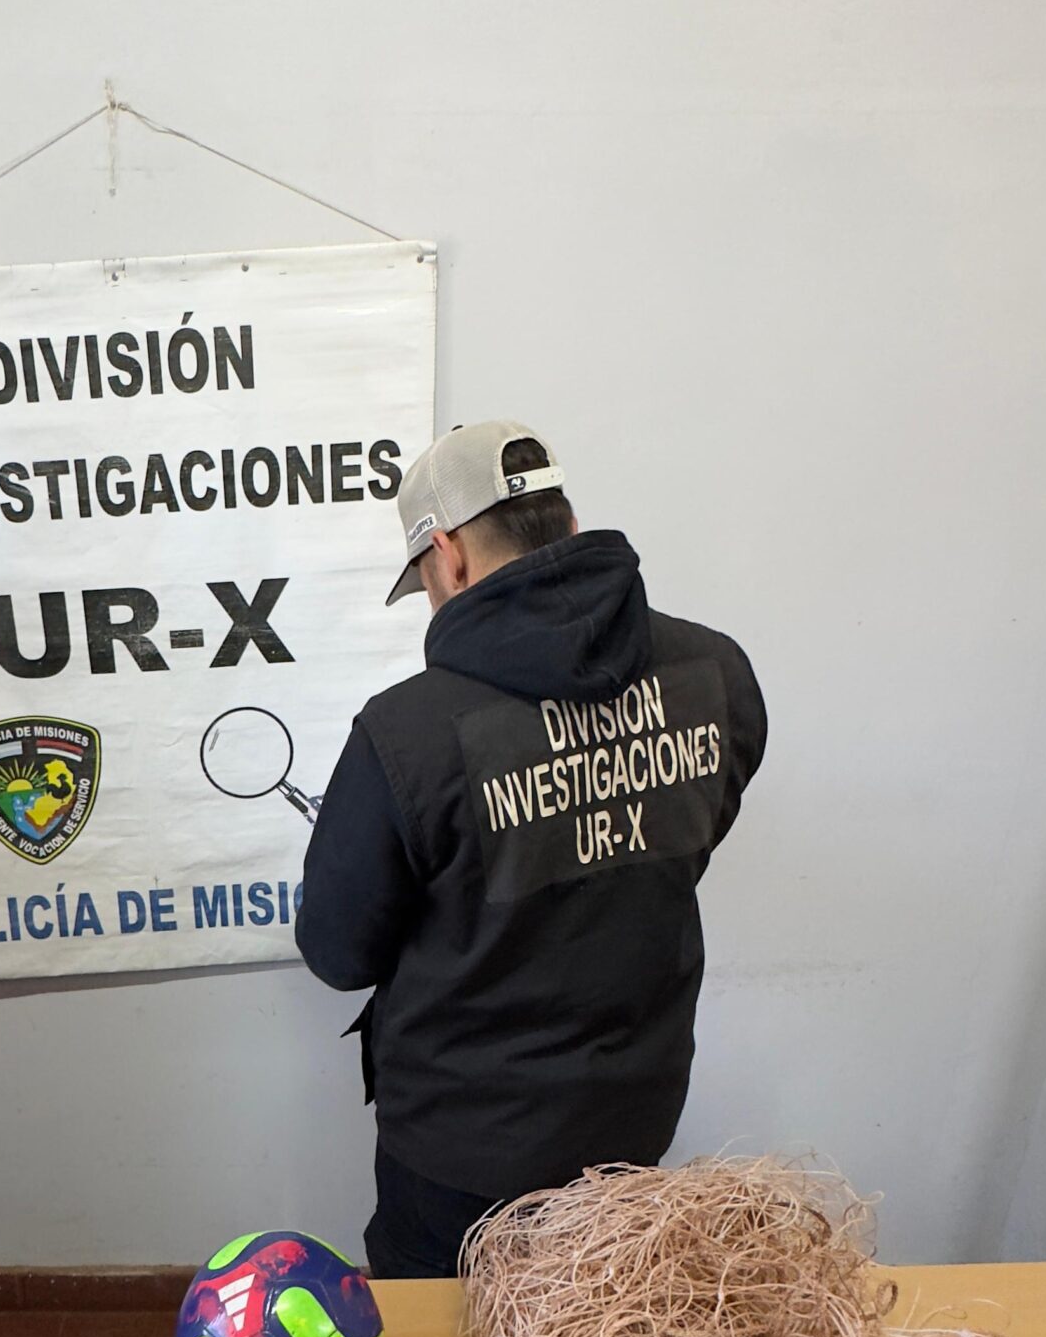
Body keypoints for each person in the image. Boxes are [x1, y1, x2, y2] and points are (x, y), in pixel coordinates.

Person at [295, 421, 765, 1279]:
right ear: (568, 525)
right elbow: (684, 836)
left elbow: (336, 951)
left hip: (457, 1160)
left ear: (449, 555)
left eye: (429, 578)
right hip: (631, 1125)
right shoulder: (718, 671)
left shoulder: (406, 734)